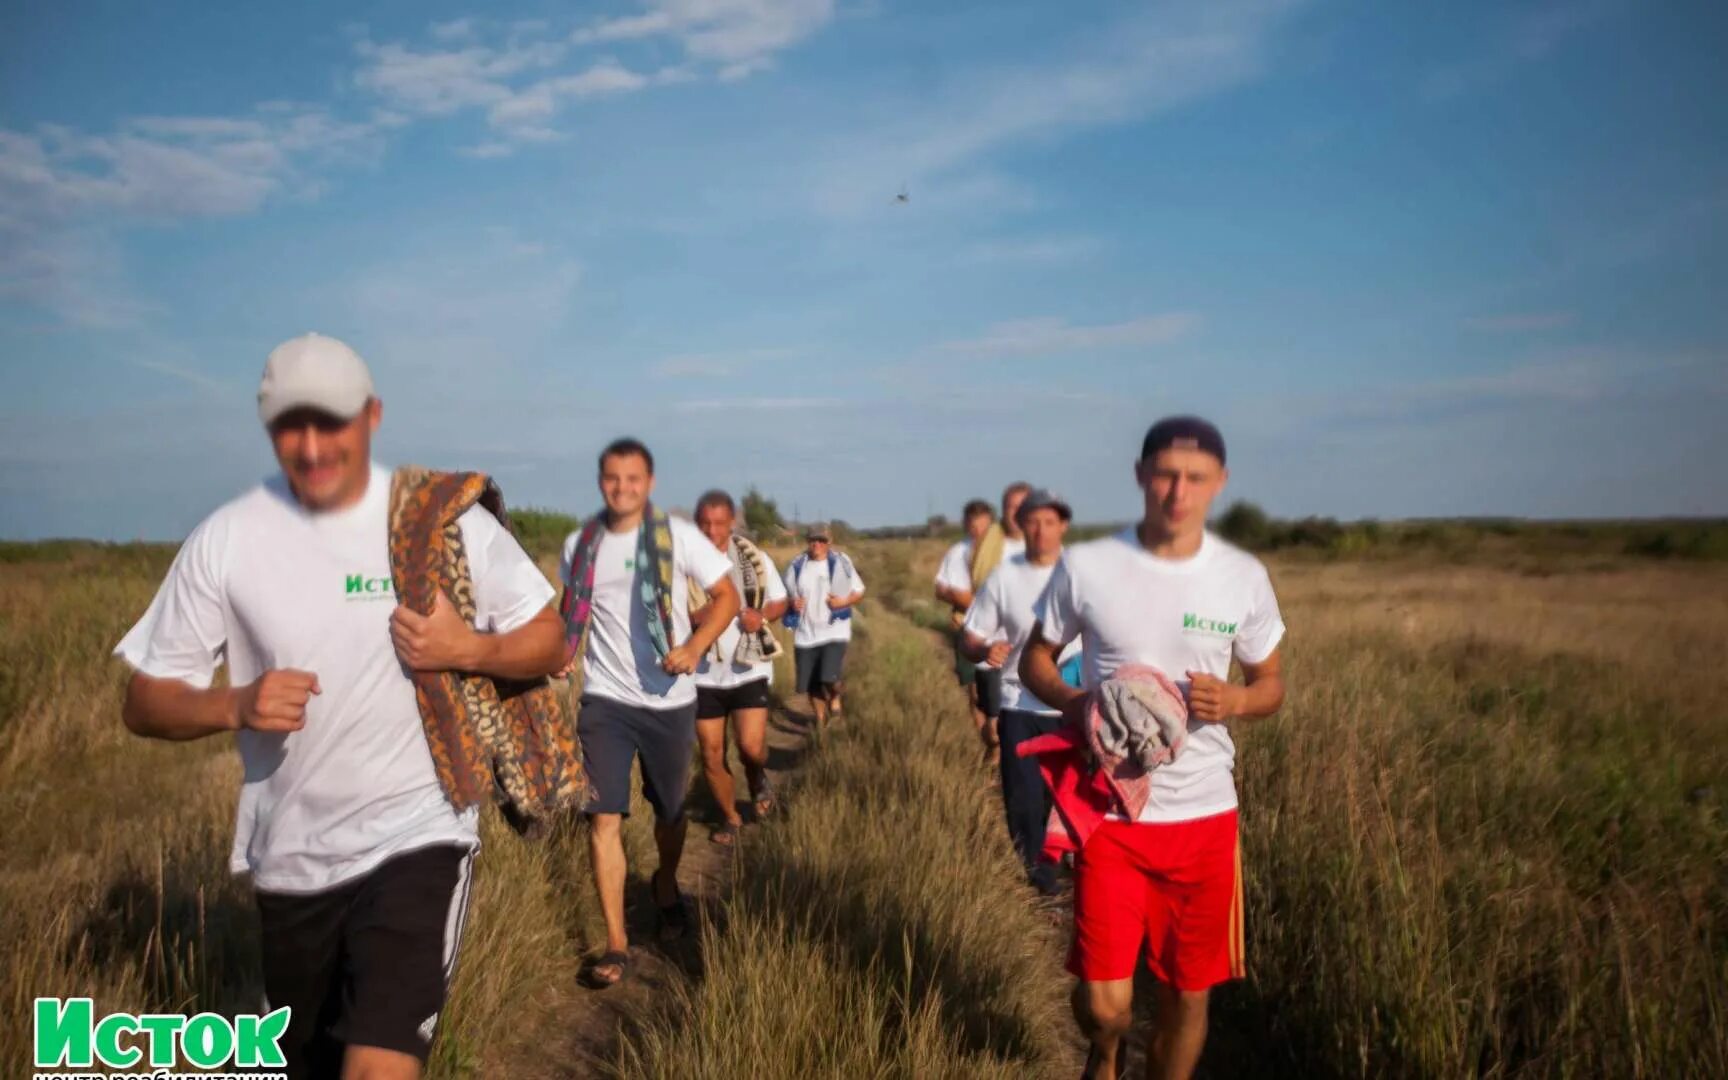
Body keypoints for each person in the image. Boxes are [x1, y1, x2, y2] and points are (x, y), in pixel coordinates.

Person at [114, 333, 566, 1080]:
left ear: (372, 417)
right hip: (290, 860)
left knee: (376, 1068)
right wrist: (236, 703)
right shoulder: (227, 540)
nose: (314, 443)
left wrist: (468, 649)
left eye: (333, 421)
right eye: (293, 423)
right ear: (269, 427)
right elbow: (143, 701)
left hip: (420, 835)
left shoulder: (439, 522)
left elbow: (549, 639)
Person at [1020, 416, 1287, 1080]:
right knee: (1107, 1006)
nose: (1178, 491)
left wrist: (1236, 702)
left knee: (1185, 995)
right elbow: (1035, 661)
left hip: (1204, 819)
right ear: (1141, 475)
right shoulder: (1089, 566)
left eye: (1195, 478)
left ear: (1219, 483)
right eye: (1165, 474)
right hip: (1111, 813)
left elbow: (1271, 683)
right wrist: (1080, 705)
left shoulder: (1242, 576)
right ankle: (1105, 1050)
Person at [558, 439, 740, 989]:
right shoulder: (580, 542)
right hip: (606, 699)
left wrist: (696, 645)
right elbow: (572, 608)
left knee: (670, 812)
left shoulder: (678, 536)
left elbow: (727, 596)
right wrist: (561, 655)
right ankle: (616, 943)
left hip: (669, 699)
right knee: (603, 817)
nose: (622, 488)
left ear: (650, 483)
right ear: (600, 482)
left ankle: (665, 882)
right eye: (612, 478)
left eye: (633, 479)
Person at [961, 488, 1073, 896]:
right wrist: (983, 648)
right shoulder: (1004, 578)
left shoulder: (1084, 575)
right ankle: (1043, 882)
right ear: (1021, 526)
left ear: (1063, 525)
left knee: (1068, 797)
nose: (1041, 530)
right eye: (1033, 521)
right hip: (1018, 701)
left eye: (1050, 521)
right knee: (1024, 801)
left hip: (1074, 705)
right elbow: (969, 637)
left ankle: (1073, 866)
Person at [689, 489, 789, 846]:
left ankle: (757, 776)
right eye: (704, 523)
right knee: (712, 753)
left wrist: (761, 616)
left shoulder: (753, 559)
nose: (712, 531)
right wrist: (697, 617)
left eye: (718, 523)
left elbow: (780, 601)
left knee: (749, 747)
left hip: (749, 667)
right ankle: (730, 817)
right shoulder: (683, 565)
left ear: (732, 523)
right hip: (701, 673)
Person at [969, 482, 1031, 763]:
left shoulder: (1048, 547)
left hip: (1035, 656)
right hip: (994, 650)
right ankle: (997, 760)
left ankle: (1006, 776)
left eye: (1023, 506)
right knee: (995, 729)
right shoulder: (991, 547)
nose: (1016, 513)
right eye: (1011, 507)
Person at [782, 522, 864, 725]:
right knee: (811, 684)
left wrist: (843, 602)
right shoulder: (796, 565)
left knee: (829, 677)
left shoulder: (841, 562)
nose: (817, 544)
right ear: (807, 541)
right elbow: (781, 596)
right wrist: (791, 602)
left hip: (835, 630)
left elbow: (859, 591)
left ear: (830, 541)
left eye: (821, 540)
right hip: (805, 634)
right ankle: (821, 722)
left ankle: (835, 696)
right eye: (813, 540)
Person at [935, 498, 996, 744]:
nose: (978, 531)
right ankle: (989, 744)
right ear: (965, 524)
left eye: (983, 525)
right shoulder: (957, 552)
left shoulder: (1006, 553)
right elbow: (940, 588)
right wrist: (958, 597)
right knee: (973, 693)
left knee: (998, 695)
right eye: (973, 525)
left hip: (998, 633)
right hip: (966, 629)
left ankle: (998, 745)